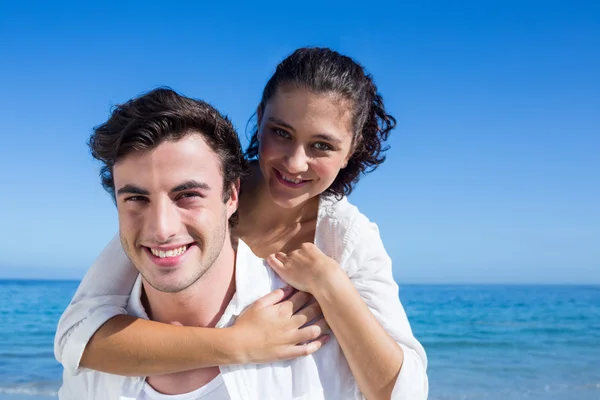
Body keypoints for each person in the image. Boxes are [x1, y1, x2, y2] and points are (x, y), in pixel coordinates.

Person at [56, 48, 428, 399]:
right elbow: (78, 334)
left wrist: (332, 286)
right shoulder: (196, 202)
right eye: (281, 133)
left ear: (351, 149)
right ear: (260, 117)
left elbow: (404, 391)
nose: (295, 162)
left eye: (322, 146)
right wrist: (239, 344)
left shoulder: (344, 237)